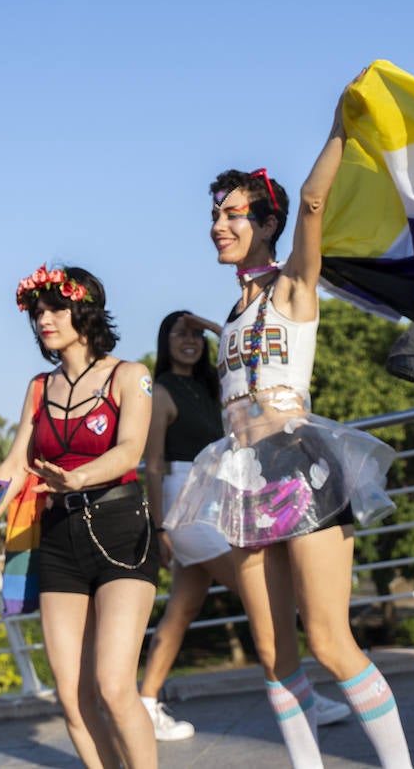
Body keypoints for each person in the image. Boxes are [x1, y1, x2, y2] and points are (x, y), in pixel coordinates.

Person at [166, 84, 412, 769]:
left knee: (331, 642)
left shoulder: (295, 286)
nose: (220, 224)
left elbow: (311, 201)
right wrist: (216, 331)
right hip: (243, 477)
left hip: (299, 468)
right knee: (275, 657)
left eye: (234, 214)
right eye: (215, 215)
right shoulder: (238, 314)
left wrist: (339, 123)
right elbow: (244, 359)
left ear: (265, 224)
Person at [0, 265, 159, 769]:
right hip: (57, 538)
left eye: (55, 308)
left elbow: (131, 450)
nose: (44, 319)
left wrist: (79, 477)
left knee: (114, 687)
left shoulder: (130, 376)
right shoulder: (38, 388)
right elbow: (12, 465)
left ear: (84, 310)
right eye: (37, 312)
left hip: (120, 532)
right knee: (72, 699)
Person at [139, 311, 350, 741]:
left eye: (196, 335)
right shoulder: (161, 391)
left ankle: (145, 703)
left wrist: (216, 330)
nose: (190, 340)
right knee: (270, 601)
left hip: (217, 497)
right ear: (164, 341)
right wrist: (159, 527)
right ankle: (299, 696)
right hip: (186, 505)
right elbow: (154, 464)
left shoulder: (209, 386)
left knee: (182, 609)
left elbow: (241, 360)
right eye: (180, 333)